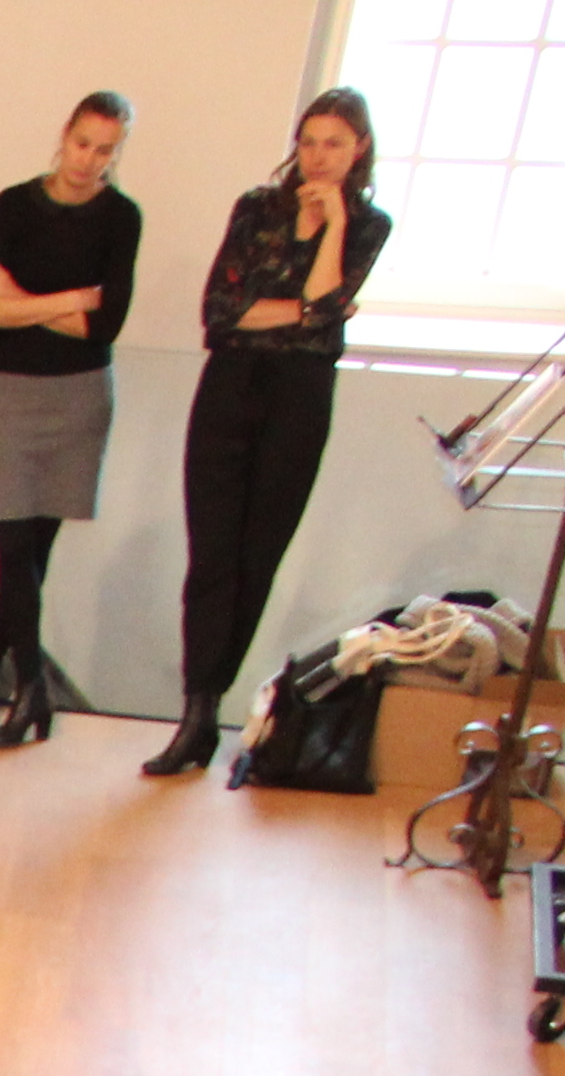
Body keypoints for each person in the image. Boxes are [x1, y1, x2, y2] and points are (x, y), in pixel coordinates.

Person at [155, 92, 392, 781]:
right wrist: (313, 311)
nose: (318, 157)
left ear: (359, 153)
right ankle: (195, 713)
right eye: (310, 141)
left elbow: (319, 316)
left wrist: (334, 225)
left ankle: (213, 703)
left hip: (302, 395)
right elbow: (222, 314)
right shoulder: (257, 208)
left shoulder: (369, 224)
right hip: (231, 384)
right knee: (212, 557)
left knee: (258, 556)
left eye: (335, 145)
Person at [0, 95, 144, 749]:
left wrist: (23, 299)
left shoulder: (121, 217)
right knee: (14, 546)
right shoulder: (13, 205)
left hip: (80, 395)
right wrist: (68, 300)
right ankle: (33, 686)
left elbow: (106, 325)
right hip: (10, 391)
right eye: (83, 143)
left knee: (36, 552)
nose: (89, 161)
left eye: (106, 150)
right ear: (62, 136)